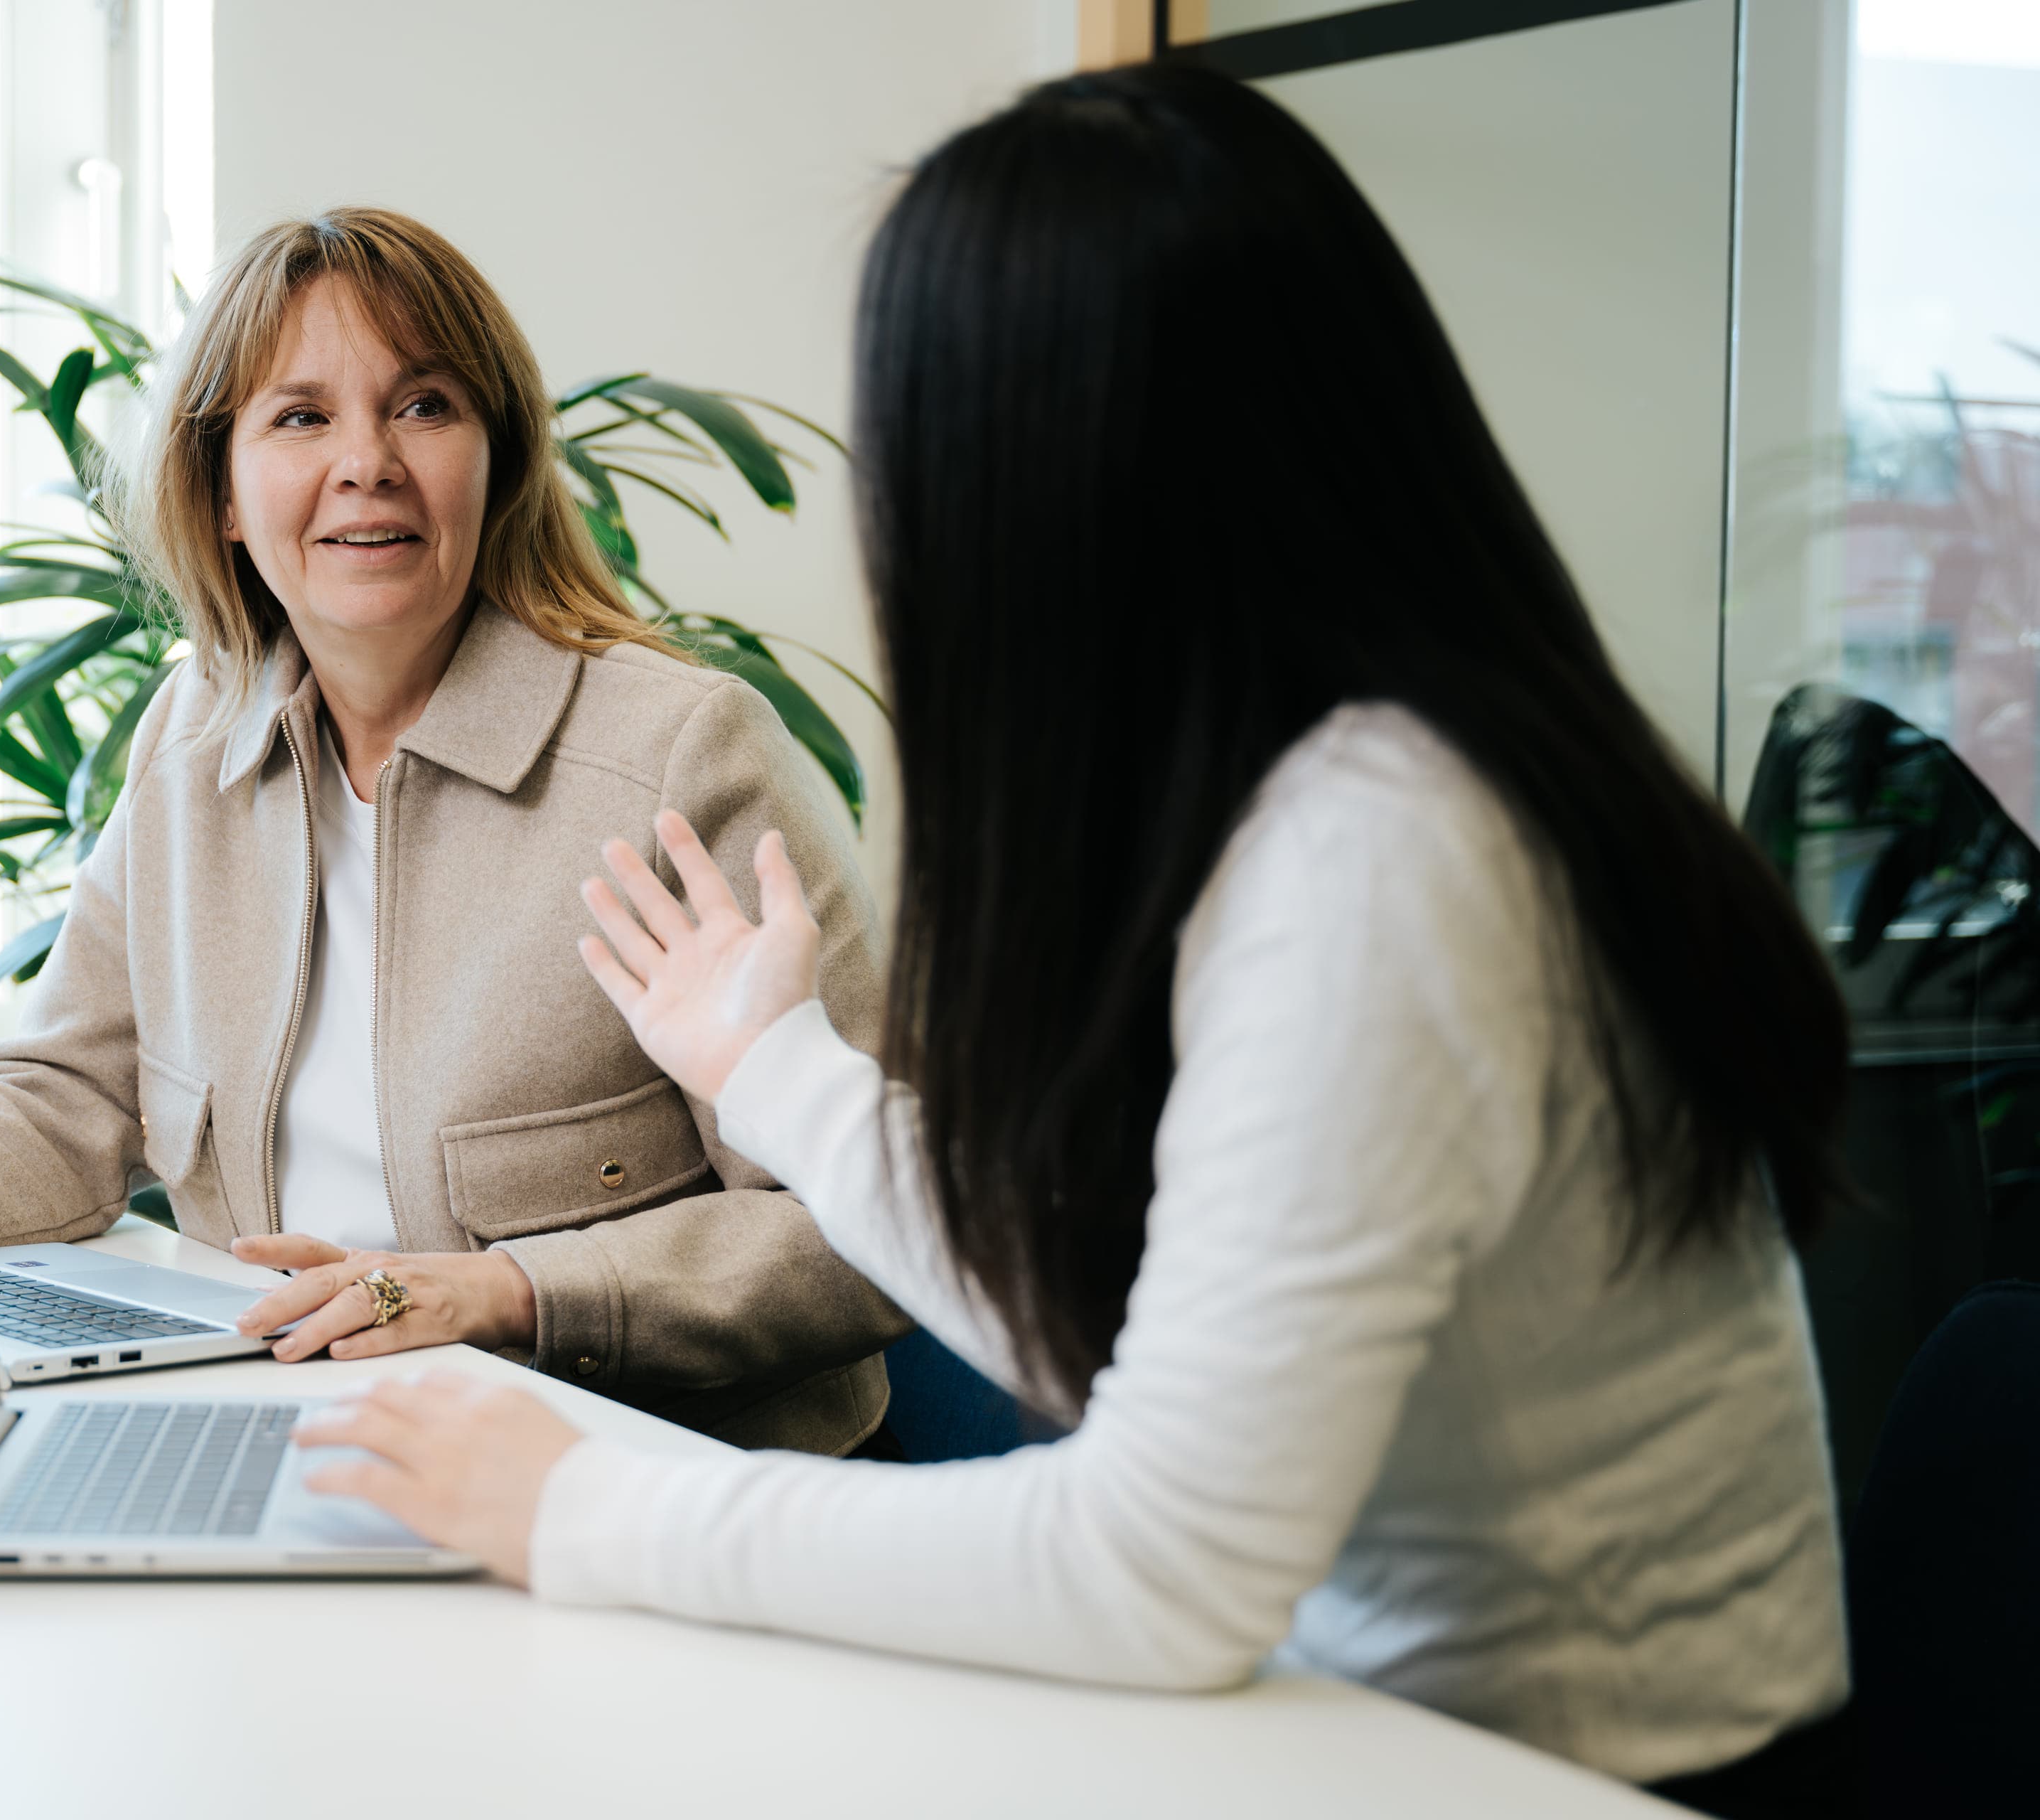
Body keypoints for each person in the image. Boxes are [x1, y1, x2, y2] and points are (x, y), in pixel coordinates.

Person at [289, 66, 1857, 1806]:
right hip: (1352, 1727)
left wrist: (578, 1499)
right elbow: (1095, 1308)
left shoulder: (1387, 854)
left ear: (1049, 477)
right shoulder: (1314, 788)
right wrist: (773, 1068)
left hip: (1574, 1773)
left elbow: (1155, 1565)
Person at [0, 207, 908, 1455]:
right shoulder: (196, 732)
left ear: (494, 461)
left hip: (644, 1488)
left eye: (426, 405)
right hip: (300, 1430)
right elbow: (65, 1103)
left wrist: (501, 1290)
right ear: (224, 494)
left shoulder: (679, 756)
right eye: (300, 417)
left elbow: (865, 1226)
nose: (368, 462)